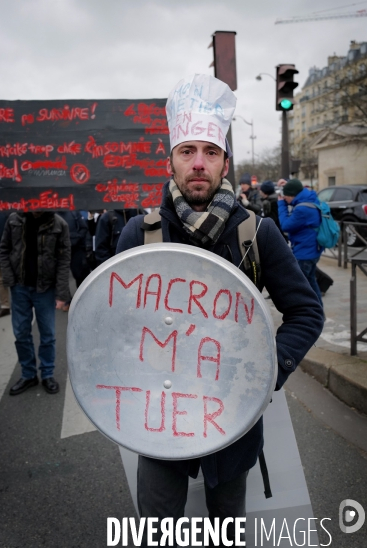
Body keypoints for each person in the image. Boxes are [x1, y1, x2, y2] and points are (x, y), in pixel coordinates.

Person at [116, 74, 324, 545]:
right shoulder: (140, 235)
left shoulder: (257, 232)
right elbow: (113, 327)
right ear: (170, 160)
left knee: (225, 528)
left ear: (225, 163)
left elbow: (307, 312)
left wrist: (265, 377)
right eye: (187, 151)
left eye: (210, 152)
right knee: (158, 530)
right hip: (159, 425)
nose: (198, 163)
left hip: (232, 425)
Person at [0, 211, 71, 395]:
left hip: (45, 288)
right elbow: (4, 248)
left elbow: (64, 259)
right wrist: (9, 280)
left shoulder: (58, 223)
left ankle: (47, 374)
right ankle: (28, 374)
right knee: (21, 333)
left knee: (48, 334)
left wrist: (62, 293)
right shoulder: (14, 219)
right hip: (20, 286)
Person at [278, 178, 324, 306]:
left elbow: (286, 225)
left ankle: (307, 314)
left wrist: (281, 204)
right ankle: (319, 311)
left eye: (286, 196)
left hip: (304, 253)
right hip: (313, 250)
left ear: (292, 195)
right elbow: (296, 187)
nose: (285, 198)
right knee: (311, 283)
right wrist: (288, 183)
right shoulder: (310, 198)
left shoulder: (302, 209)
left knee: (299, 287)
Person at [57, 211, 93, 311]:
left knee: (79, 274)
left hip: (76, 249)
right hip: (59, 251)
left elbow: (83, 228)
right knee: (61, 276)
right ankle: (67, 300)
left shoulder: (74, 213)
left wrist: (75, 239)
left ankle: (82, 297)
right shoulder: (53, 215)